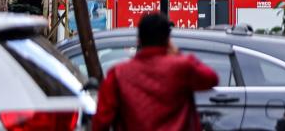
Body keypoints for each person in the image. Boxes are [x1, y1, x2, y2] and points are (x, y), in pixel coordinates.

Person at [91, 13, 219, 131]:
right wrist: (178, 55)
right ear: (168, 40)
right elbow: (211, 78)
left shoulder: (118, 74)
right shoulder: (182, 67)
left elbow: (101, 122)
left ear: (139, 40)